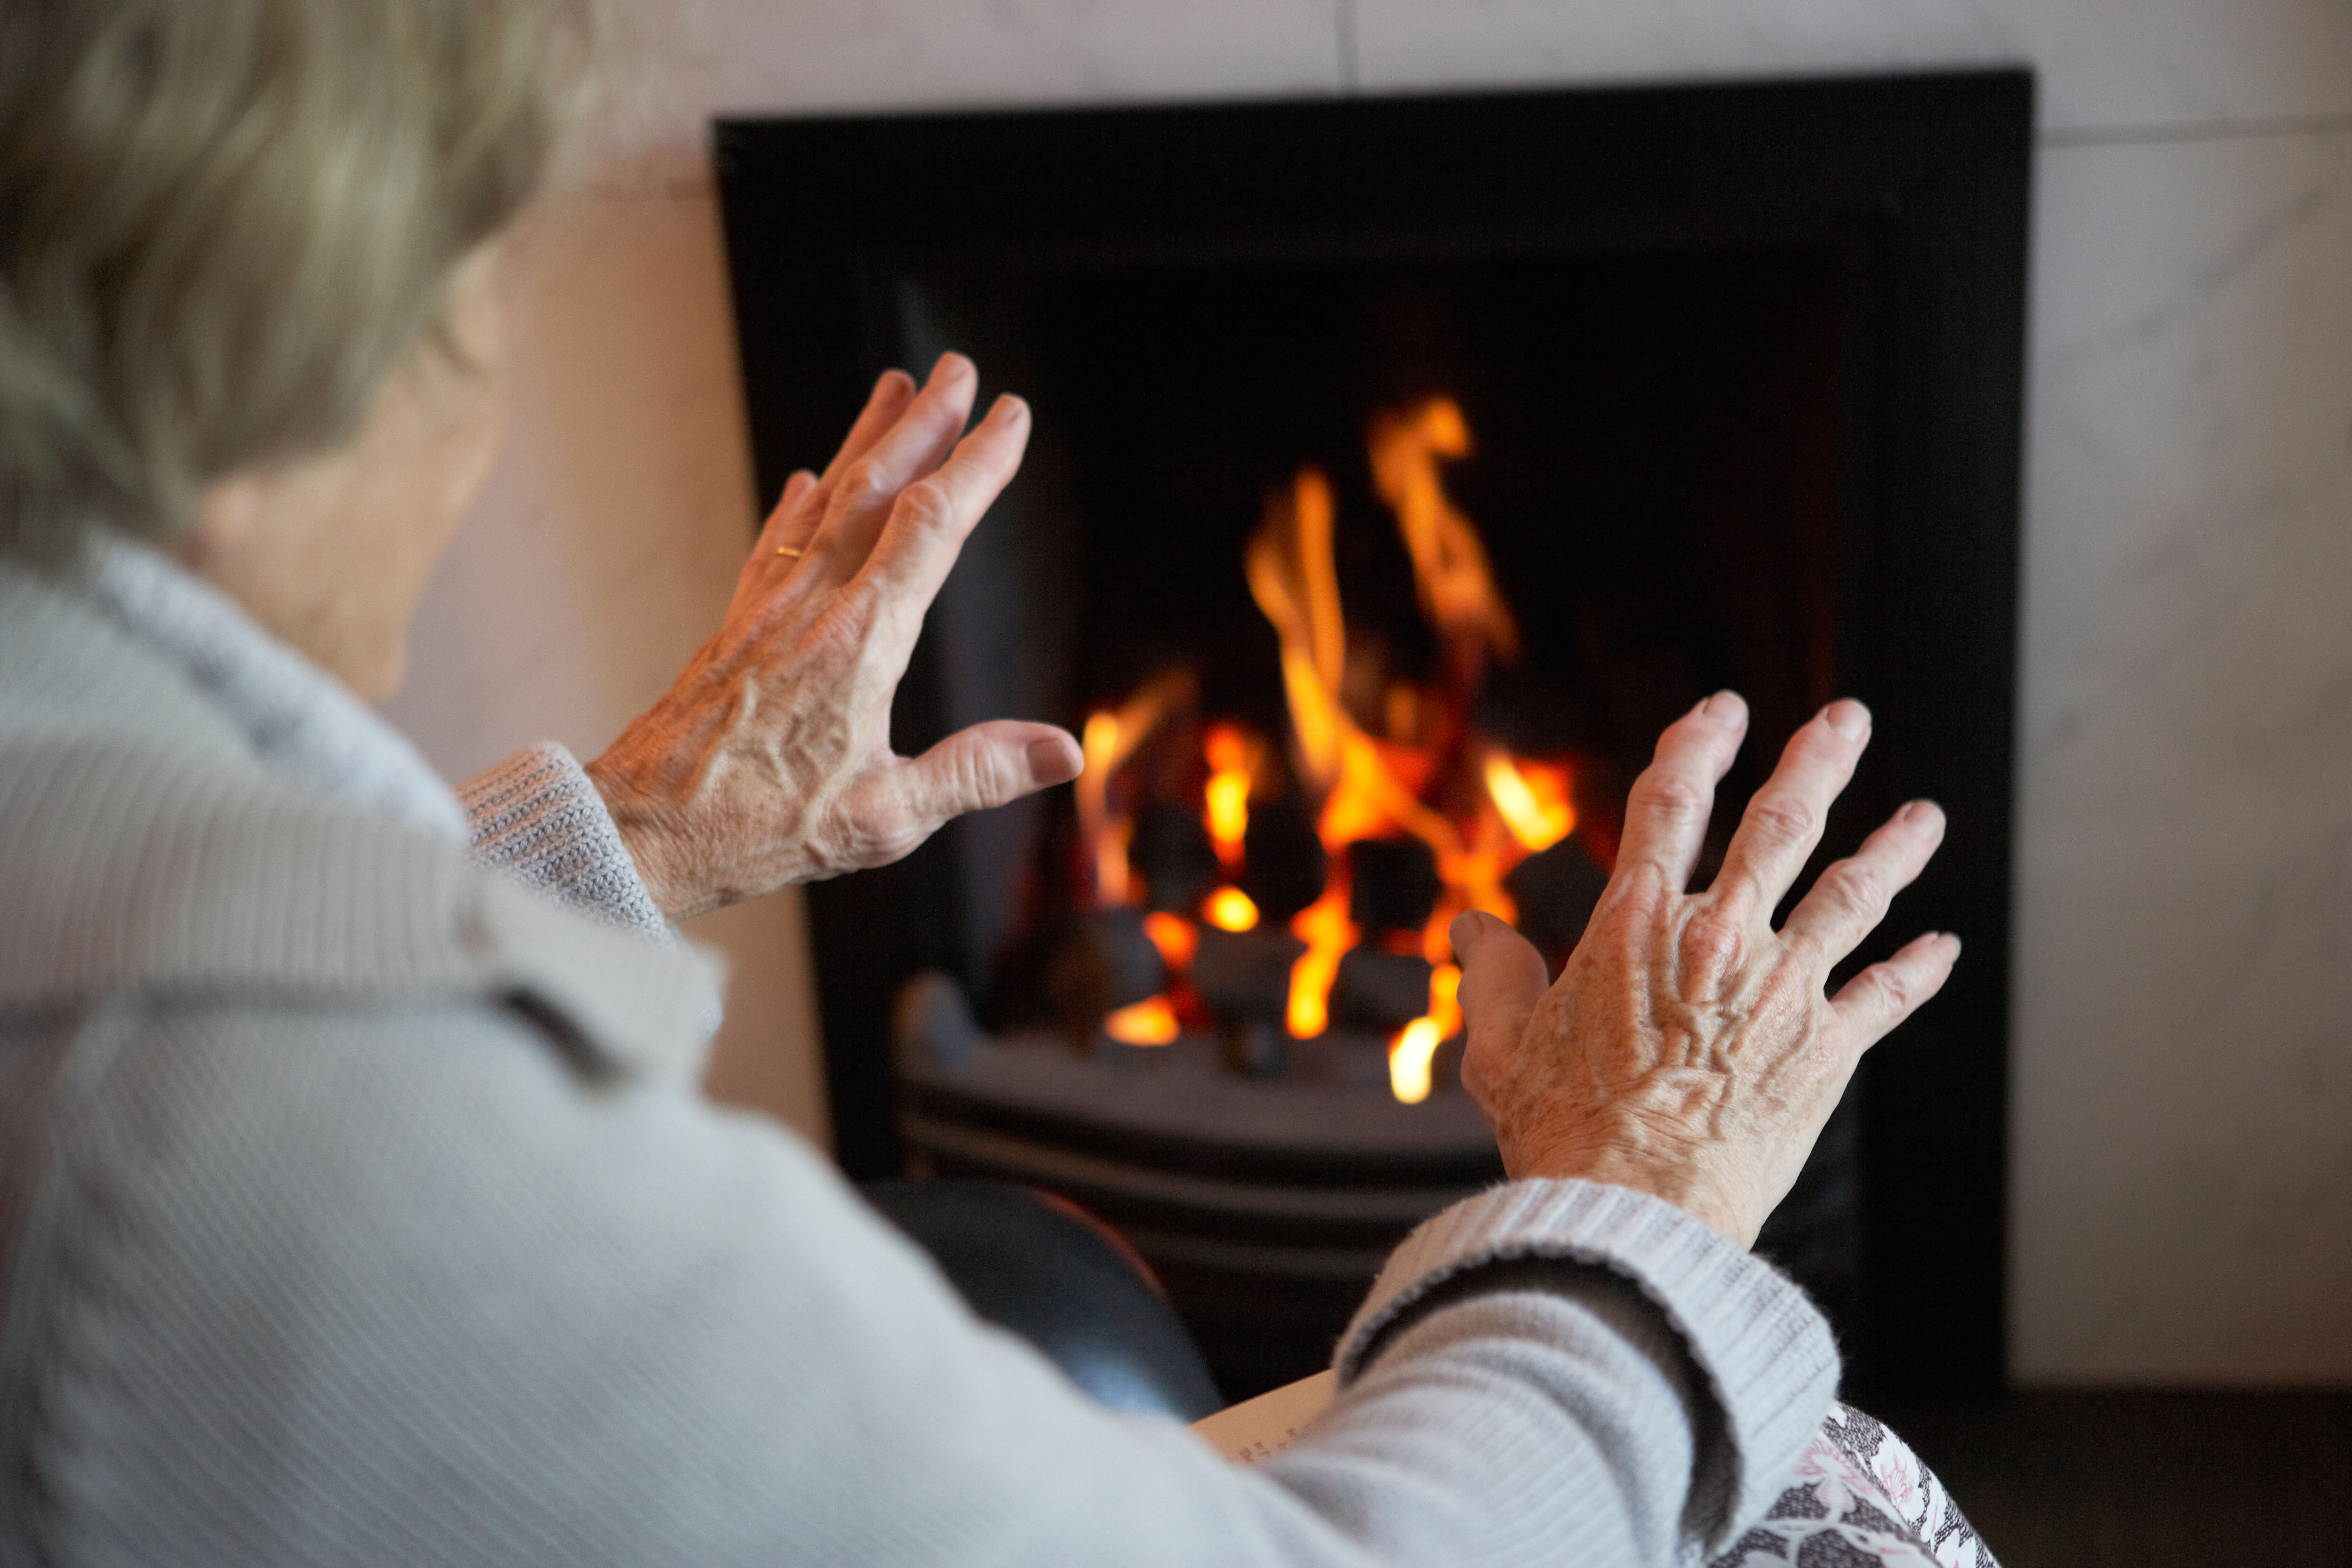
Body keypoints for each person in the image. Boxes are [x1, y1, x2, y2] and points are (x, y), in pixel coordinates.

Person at [0, 2, 1990, 1563]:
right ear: (257, 382)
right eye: (467, 291)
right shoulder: (271, 1139)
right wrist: (1632, 1199)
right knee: (1798, 1472)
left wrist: (630, 834)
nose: (481, 381)